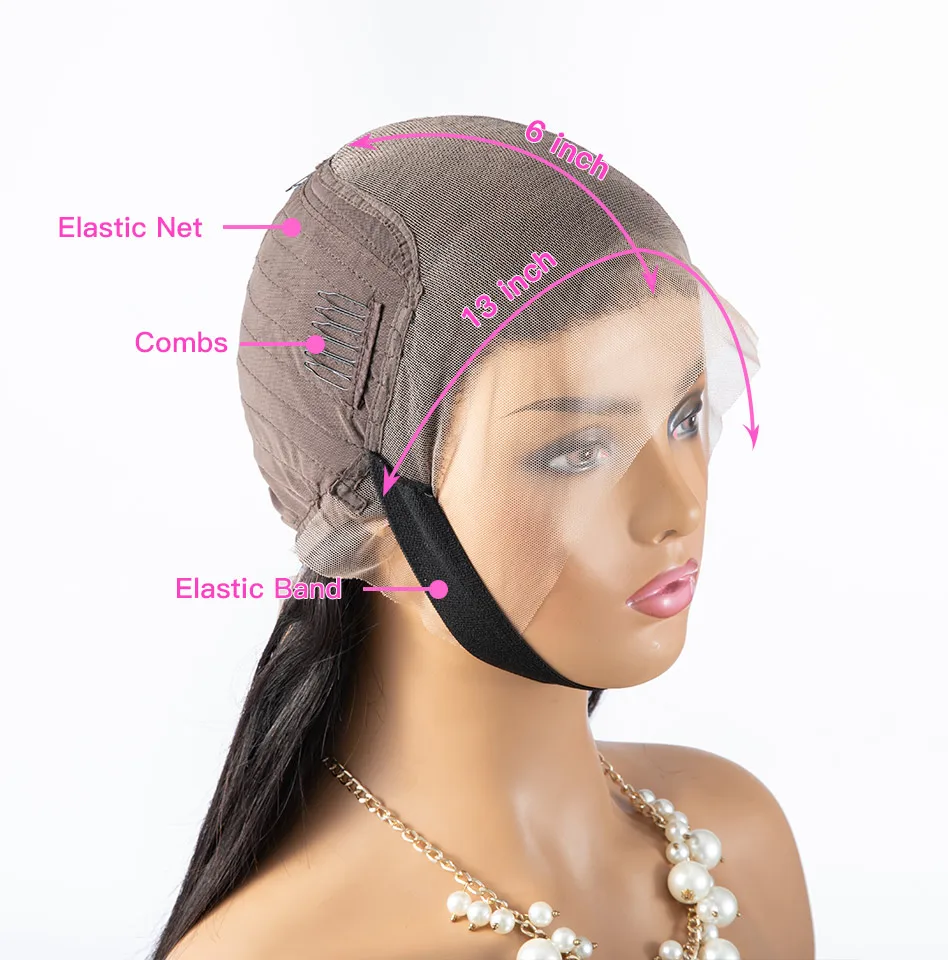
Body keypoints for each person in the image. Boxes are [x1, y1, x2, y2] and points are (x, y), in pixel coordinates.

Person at [153, 116, 814, 960]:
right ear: (371, 512)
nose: (676, 508)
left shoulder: (739, 835)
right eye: (579, 451)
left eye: (684, 416)